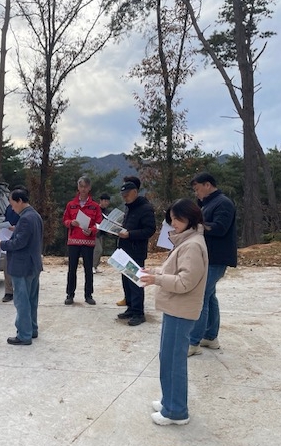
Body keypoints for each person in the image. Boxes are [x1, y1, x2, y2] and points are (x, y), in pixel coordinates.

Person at [140, 198, 208, 426]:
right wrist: (153, 271)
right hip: (174, 308)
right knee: (167, 357)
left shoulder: (193, 245)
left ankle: (177, 411)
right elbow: (175, 270)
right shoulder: (187, 241)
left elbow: (185, 282)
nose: (174, 223)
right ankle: (169, 401)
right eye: (172, 219)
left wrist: (157, 279)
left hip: (181, 310)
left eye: (178, 219)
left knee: (174, 361)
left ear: (190, 218)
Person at [187, 172, 237, 356]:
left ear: (207, 185)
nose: (196, 193)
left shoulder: (223, 203)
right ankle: (210, 336)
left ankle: (193, 342)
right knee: (210, 296)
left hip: (216, 258)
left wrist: (195, 227)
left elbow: (220, 228)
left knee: (201, 297)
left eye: (197, 189)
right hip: (207, 257)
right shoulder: (207, 203)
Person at [0, 188, 43, 345]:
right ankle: (32, 329)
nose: (12, 207)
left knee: (22, 302)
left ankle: (24, 335)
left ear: (20, 201)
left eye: (12, 203)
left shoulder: (26, 218)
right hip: (33, 264)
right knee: (31, 299)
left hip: (22, 266)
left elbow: (19, 243)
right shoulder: (34, 215)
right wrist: (17, 230)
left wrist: (1, 244)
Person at [116, 177, 156, 326]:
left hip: (136, 251)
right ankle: (131, 308)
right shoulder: (129, 207)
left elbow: (149, 230)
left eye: (127, 195)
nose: (124, 198)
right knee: (126, 281)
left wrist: (130, 234)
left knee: (136, 282)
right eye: (123, 195)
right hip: (124, 250)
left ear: (134, 192)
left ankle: (139, 313)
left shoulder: (145, 208)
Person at [62, 176, 103, 305]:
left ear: (89, 188)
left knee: (88, 269)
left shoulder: (95, 206)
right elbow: (65, 220)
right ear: (78, 187)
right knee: (72, 269)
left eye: (85, 186)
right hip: (74, 241)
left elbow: (99, 223)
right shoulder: (71, 205)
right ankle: (70, 294)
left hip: (88, 241)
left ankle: (88, 295)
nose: (83, 189)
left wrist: (92, 230)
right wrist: (71, 222)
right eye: (81, 186)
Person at [2, 184, 28, 303]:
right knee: (7, 266)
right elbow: (6, 219)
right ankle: (8, 291)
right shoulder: (9, 208)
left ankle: (21, 291)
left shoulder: (28, 212)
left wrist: (16, 228)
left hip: (21, 242)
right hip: (8, 238)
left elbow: (26, 227)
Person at [93, 192, 111, 274]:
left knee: (100, 250)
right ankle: (92, 266)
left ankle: (95, 266)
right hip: (95, 232)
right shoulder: (96, 209)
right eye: (105, 201)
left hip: (101, 233)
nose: (106, 203)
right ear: (100, 201)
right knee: (98, 250)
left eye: (108, 201)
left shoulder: (106, 211)